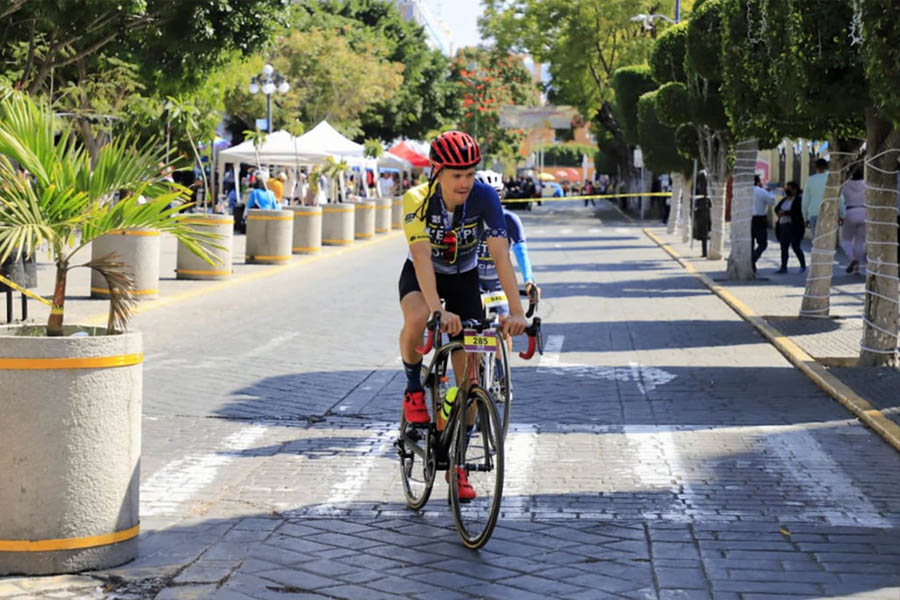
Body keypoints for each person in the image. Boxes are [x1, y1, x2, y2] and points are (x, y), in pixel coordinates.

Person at [399, 131, 527, 498]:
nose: (466, 183)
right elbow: (421, 257)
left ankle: (457, 466)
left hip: (464, 279)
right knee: (419, 316)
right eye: (457, 175)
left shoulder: (485, 197)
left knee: (470, 382)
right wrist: (439, 310)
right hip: (425, 277)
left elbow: (501, 256)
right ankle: (412, 388)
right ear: (437, 172)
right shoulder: (417, 198)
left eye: (471, 173)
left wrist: (515, 311)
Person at [774, 181, 807, 274]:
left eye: (789, 188)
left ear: (795, 189)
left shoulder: (799, 200)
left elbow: (797, 212)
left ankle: (803, 265)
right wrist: (779, 212)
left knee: (796, 247)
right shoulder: (785, 200)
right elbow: (776, 208)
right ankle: (783, 267)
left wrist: (785, 213)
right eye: (786, 188)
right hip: (783, 226)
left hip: (794, 226)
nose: (787, 190)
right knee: (784, 248)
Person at [839, 166, 866, 274]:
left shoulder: (845, 185)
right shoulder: (866, 185)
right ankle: (857, 267)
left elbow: (840, 200)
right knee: (860, 242)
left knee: (846, 241)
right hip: (864, 212)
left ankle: (852, 258)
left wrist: (840, 214)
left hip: (850, 212)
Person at [751, 175, 776, 272]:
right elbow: (772, 202)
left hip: (747, 219)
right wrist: (770, 193)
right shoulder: (761, 191)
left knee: (750, 243)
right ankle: (752, 259)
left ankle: (751, 263)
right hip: (759, 219)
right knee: (762, 243)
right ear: (758, 182)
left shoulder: (744, 191)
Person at [802, 158, 829, 235]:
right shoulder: (831, 178)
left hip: (813, 213)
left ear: (816, 167)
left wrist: (805, 217)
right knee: (827, 240)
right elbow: (839, 197)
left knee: (816, 240)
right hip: (829, 212)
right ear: (827, 166)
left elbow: (805, 200)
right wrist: (842, 214)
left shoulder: (810, 180)